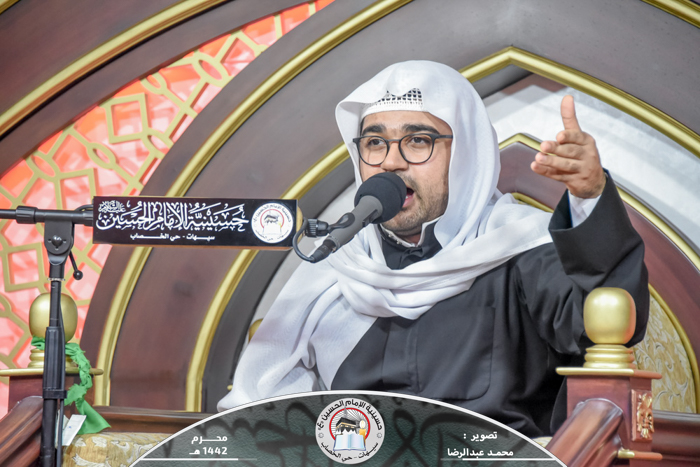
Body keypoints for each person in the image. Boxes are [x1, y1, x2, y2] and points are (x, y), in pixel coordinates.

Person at [218, 61, 648, 437]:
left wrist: (590, 194)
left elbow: (604, 319)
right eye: (375, 143)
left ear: (465, 155)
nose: (390, 162)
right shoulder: (337, 266)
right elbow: (267, 408)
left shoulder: (518, 247)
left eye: (418, 140)